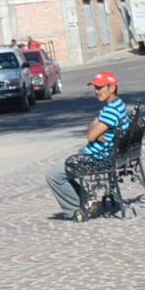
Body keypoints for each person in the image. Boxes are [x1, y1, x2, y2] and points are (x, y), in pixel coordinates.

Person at [45, 71, 132, 218]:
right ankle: (86, 201)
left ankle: (77, 210)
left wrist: (95, 131)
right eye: (95, 88)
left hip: (100, 158)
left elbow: (90, 136)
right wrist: (96, 129)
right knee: (75, 158)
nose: (96, 92)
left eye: (100, 88)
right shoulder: (118, 104)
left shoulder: (110, 111)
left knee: (54, 175)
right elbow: (94, 128)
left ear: (112, 88)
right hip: (108, 154)